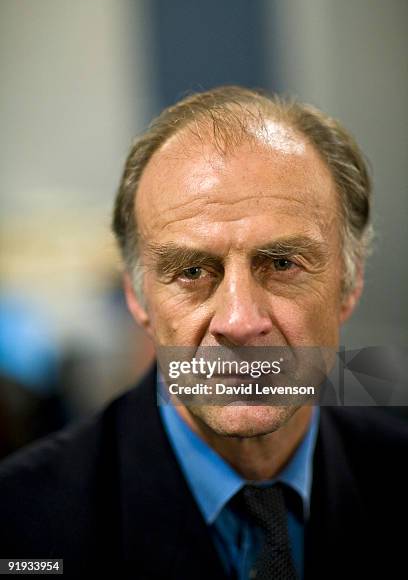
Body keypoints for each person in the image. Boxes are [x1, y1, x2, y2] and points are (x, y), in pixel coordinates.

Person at [0, 86, 407, 579]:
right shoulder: (23, 530)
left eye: (282, 263)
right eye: (192, 271)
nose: (238, 321)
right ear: (137, 295)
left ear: (350, 280)